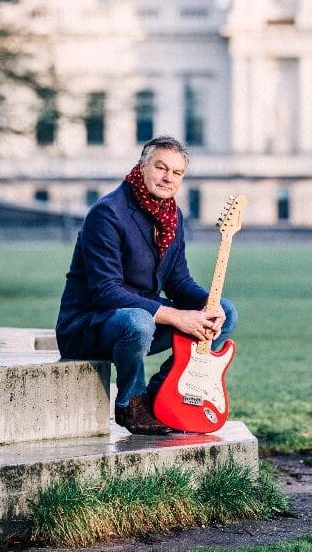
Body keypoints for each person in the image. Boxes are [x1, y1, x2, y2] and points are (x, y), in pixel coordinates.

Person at [56, 136, 238, 435]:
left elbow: (178, 281)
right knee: (139, 320)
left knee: (225, 312)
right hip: (90, 324)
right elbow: (107, 292)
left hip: (140, 319)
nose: (168, 178)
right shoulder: (108, 213)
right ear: (142, 167)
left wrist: (210, 302)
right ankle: (131, 403)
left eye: (177, 173)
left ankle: (162, 394)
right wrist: (179, 317)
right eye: (161, 167)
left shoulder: (173, 216)